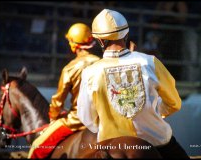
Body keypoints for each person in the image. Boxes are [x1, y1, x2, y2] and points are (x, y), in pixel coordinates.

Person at [77, 9, 189, 159]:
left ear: (101, 41)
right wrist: (153, 112)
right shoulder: (150, 62)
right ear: (126, 34)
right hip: (157, 141)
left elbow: (87, 118)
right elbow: (174, 103)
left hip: (109, 143)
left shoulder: (89, 72)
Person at [28, 23, 100, 159]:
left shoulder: (70, 68)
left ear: (73, 44)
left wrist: (53, 117)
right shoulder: (102, 63)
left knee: (36, 147)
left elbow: (58, 100)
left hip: (77, 120)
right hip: (101, 118)